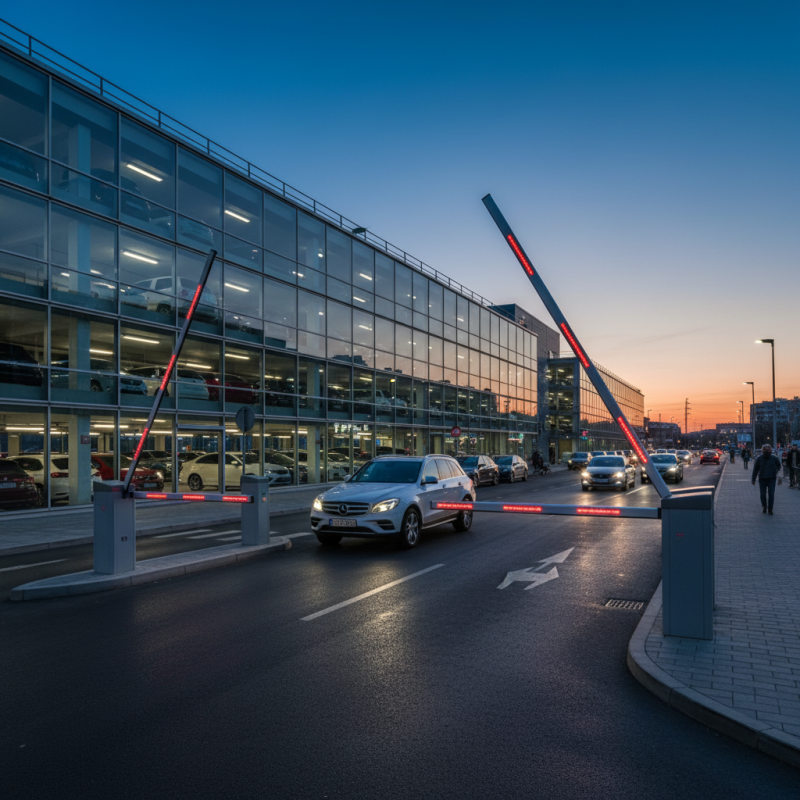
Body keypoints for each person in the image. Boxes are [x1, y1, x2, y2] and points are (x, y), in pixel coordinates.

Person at [751, 444, 782, 514]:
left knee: (771, 494)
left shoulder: (774, 458)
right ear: (762, 450)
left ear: (770, 450)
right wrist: (753, 479)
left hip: (772, 478)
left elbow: (779, 467)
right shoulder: (759, 459)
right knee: (763, 494)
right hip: (762, 479)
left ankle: (770, 508)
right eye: (765, 449)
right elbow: (755, 469)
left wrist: (776, 473)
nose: (766, 450)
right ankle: (764, 506)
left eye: (768, 449)